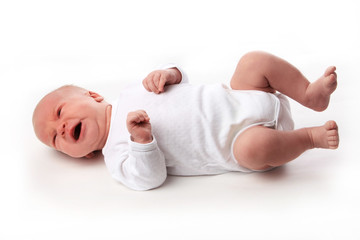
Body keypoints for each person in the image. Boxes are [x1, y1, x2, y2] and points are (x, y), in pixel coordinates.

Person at [32, 51, 339, 190]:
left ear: (94, 96)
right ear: (83, 155)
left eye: (59, 112)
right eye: (55, 139)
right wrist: (142, 142)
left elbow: (180, 76)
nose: (59, 128)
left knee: (252, 62)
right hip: (242, 142)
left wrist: (168, 73)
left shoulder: (132, 90)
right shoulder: (116, 156)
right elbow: (149, 179)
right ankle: (308, 139)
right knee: (253, 149)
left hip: (245, 95)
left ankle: (309, 95)